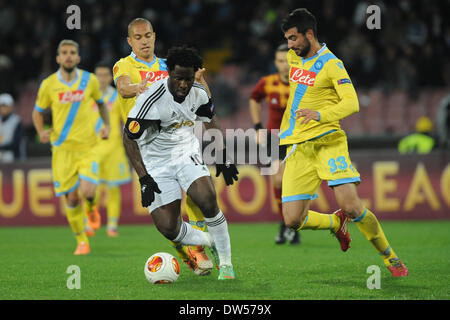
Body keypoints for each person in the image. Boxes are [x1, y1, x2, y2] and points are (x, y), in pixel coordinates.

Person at [279, 9, 408, 276]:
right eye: (287, 40)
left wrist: (320, 114)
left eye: (293, 38)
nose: (290, 45)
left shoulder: (332, 64)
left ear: (309, 34)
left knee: (351, 205)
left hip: (328, 142)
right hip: (298, 147)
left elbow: (352, 102)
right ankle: (335, 223)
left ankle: (389, 256)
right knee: (292, 220)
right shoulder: (294, 57)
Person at [123, 46, 238, 280]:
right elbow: (128, 137)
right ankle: (209, 241)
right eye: (178, 79)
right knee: (168, 227)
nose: (183, 84)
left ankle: (226, 265)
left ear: (194, 74)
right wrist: (144, 178)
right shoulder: (150, 100)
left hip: (186, 152)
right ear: (168, 74)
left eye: (188, 78)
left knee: (206, 198)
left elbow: (210, 119)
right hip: (155, 161)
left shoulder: (199, 93)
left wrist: (223, 156)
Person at [113, 17, 213, 275]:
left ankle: (199, 245)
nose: (144, 41)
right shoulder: (124, 65)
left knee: (196, 192)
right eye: (138, 37)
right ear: (129, 41)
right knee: (168, 215)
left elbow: (198, 95)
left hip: (179, 141)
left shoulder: (168, 65)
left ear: (154, 36)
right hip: (147, 147)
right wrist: (139, 87)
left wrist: (201, 81)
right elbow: (123, 88)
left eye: (147, 36)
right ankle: (188, 249)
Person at [32, 39, 110, 255]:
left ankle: (92, 207)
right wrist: (41, 131)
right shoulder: (48, 84)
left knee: (87, 190)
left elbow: (101, 105)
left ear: (78, 57)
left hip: (88, 147)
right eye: (64, 52)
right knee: (72, 198)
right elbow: (37, 112)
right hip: (62, 150)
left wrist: (107, 126)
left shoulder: (90, 80)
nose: (68, 55)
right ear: (58, 58)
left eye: (72, 52)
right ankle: (82, 240)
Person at [249, 44, 301, 245]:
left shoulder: (302, 83)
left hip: (296, 138)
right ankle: (286, 223)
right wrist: (257, 127)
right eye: (280, 61)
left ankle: (292, 224)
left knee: (290, 182)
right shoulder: (267, 82)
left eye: (287, 61)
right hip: (274, 137)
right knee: (278, 181)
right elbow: (254, 99)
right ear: (275, 63)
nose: (284, 66)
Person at [83, 62, 132, 238]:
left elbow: (126, 122)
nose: (102, 79)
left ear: (110, 78)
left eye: (105, 75)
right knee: (89, 189)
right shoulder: (88, 98)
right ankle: (90, 219)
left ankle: (112, 225)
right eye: (99, 75)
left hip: (114, 150)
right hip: (92, 150)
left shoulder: (117, 97)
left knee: (113, 189)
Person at [0, 93, 25, 162]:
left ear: (11, 107)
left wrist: (1, 147)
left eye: (5, 106)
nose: (3, 108)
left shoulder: (17, 121)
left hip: (14, 159)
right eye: (2, 106)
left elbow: (16, 143)